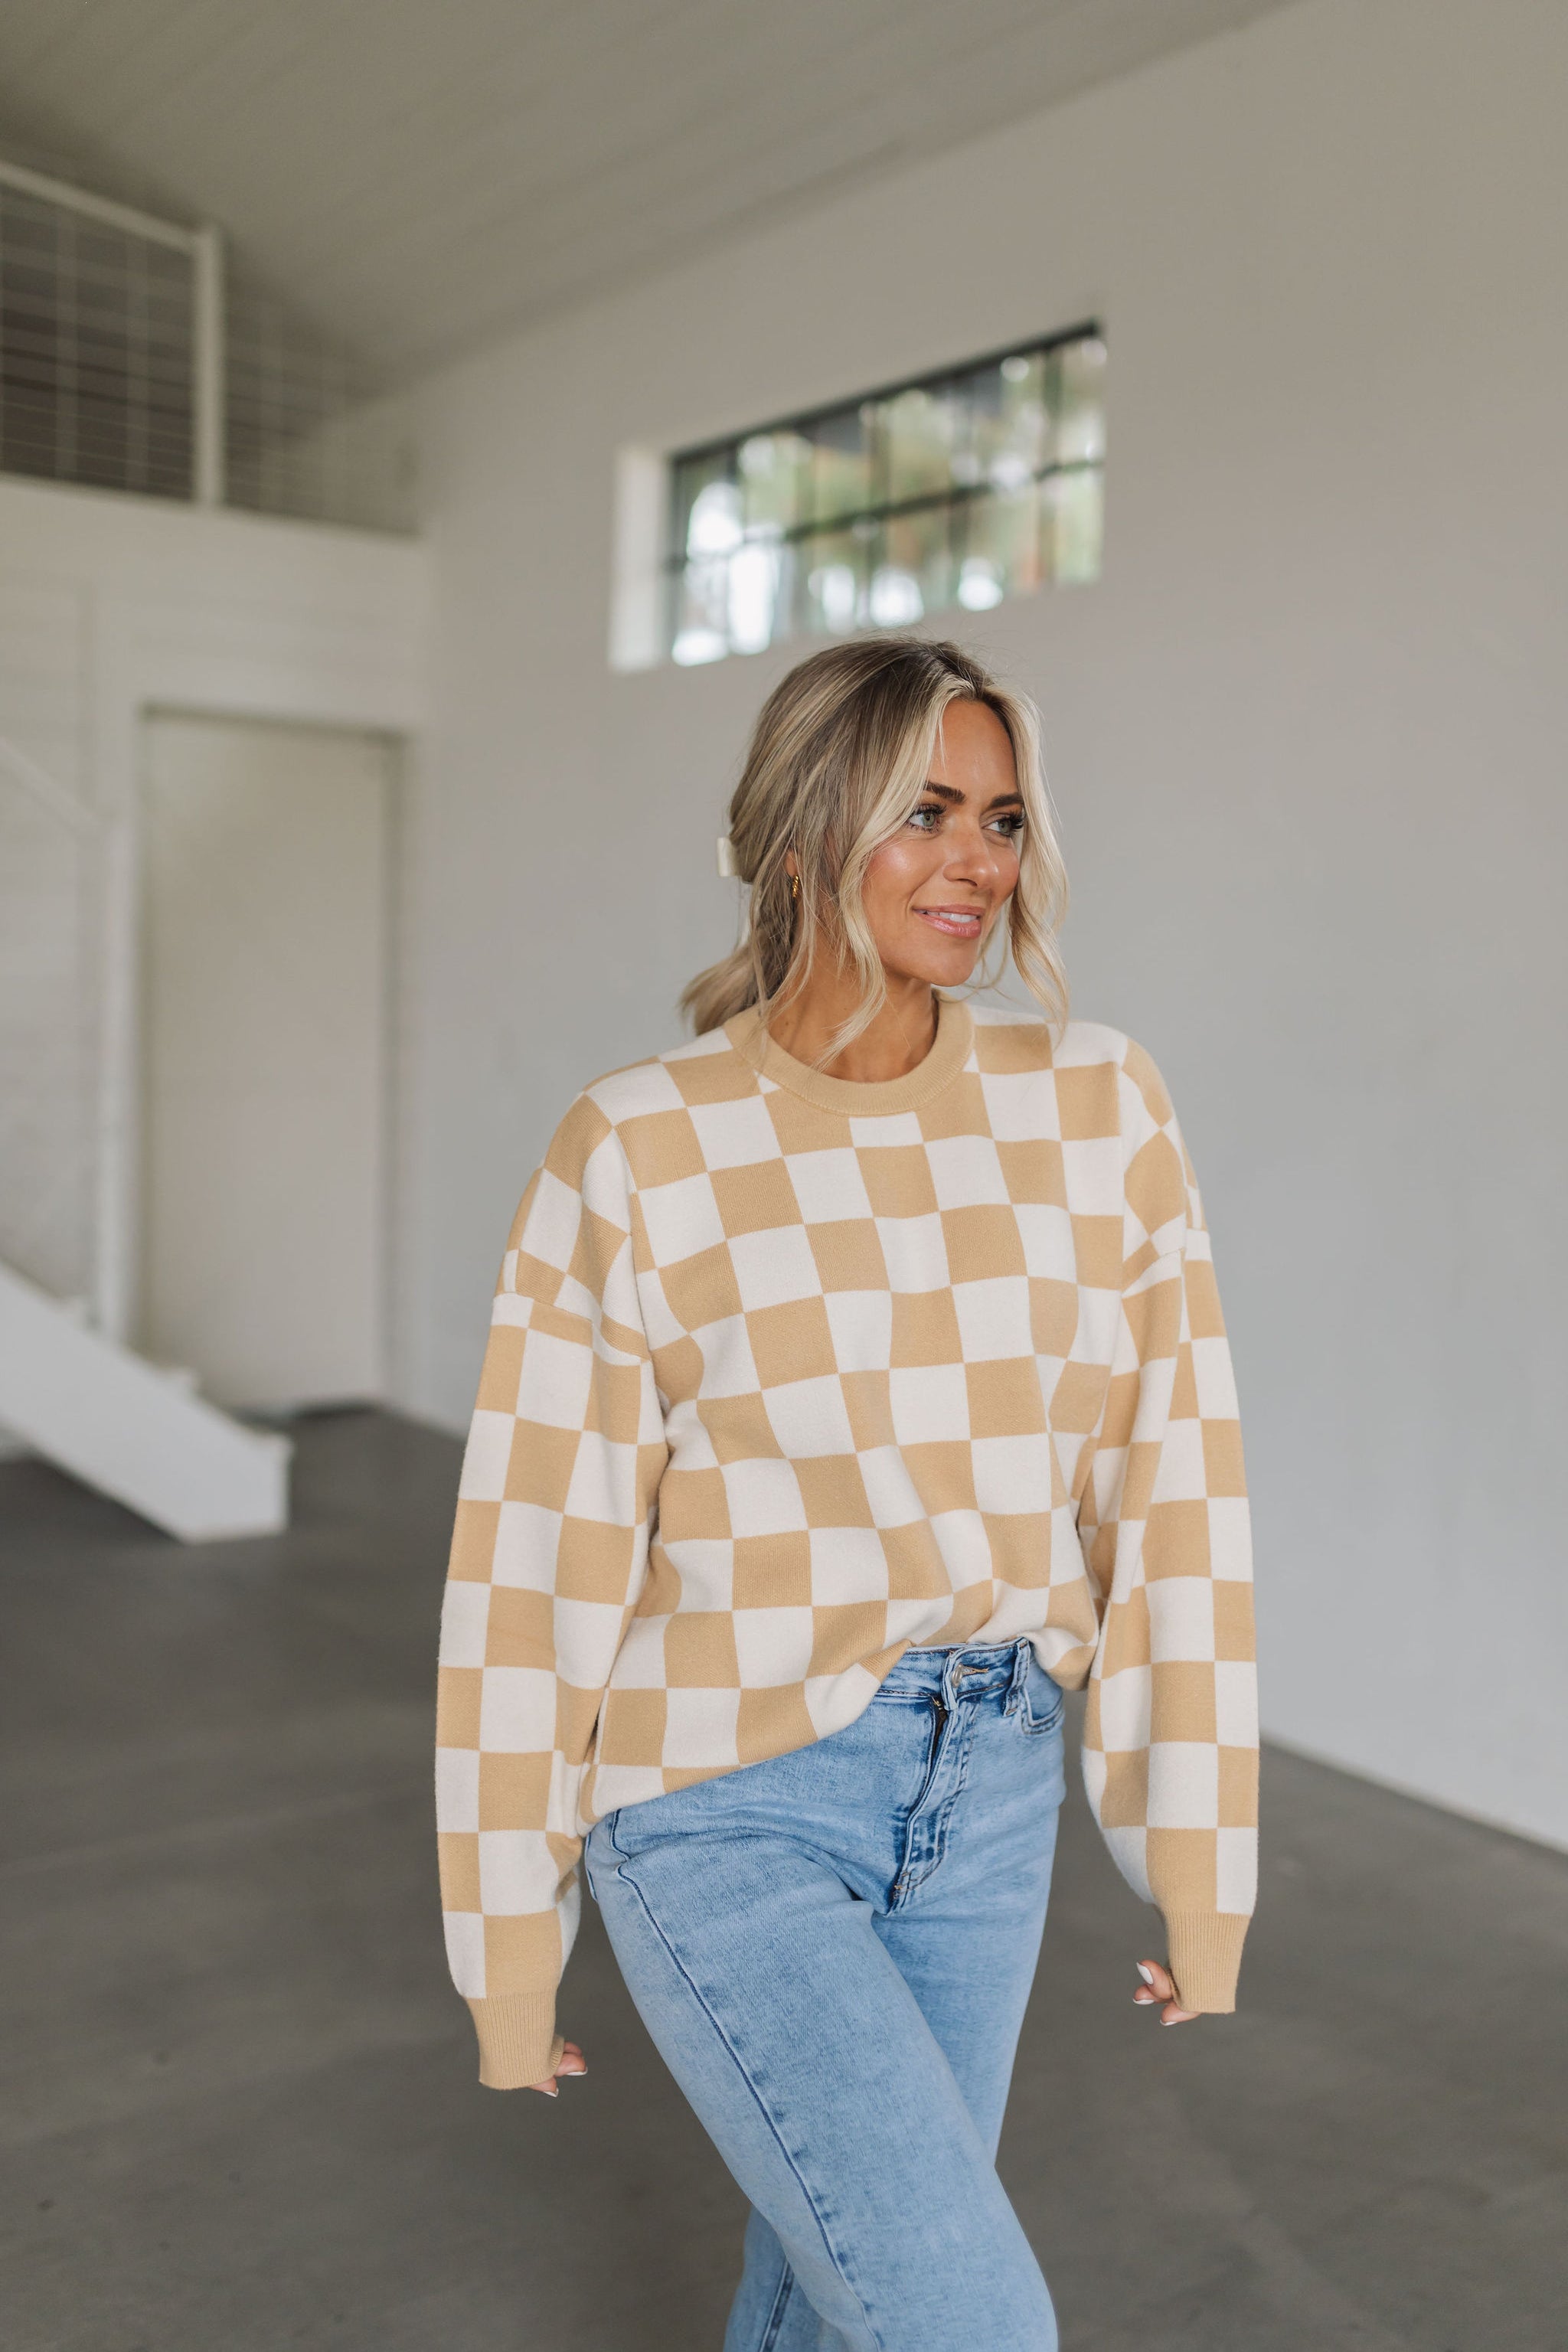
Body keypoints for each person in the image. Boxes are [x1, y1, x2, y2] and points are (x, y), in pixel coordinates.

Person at [435, 635, 1257, 2350]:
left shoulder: (1098, 1108)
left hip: (993, 1782)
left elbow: (1168, 1489)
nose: (977, 861)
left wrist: (1194, 1852)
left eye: (1005, 817)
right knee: (964, 2321)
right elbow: (535, 1562)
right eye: (927, 812)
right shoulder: (643, 1146)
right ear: (808, 828)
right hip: (723, 1795)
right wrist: (511, 1945)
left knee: (829, 2297)